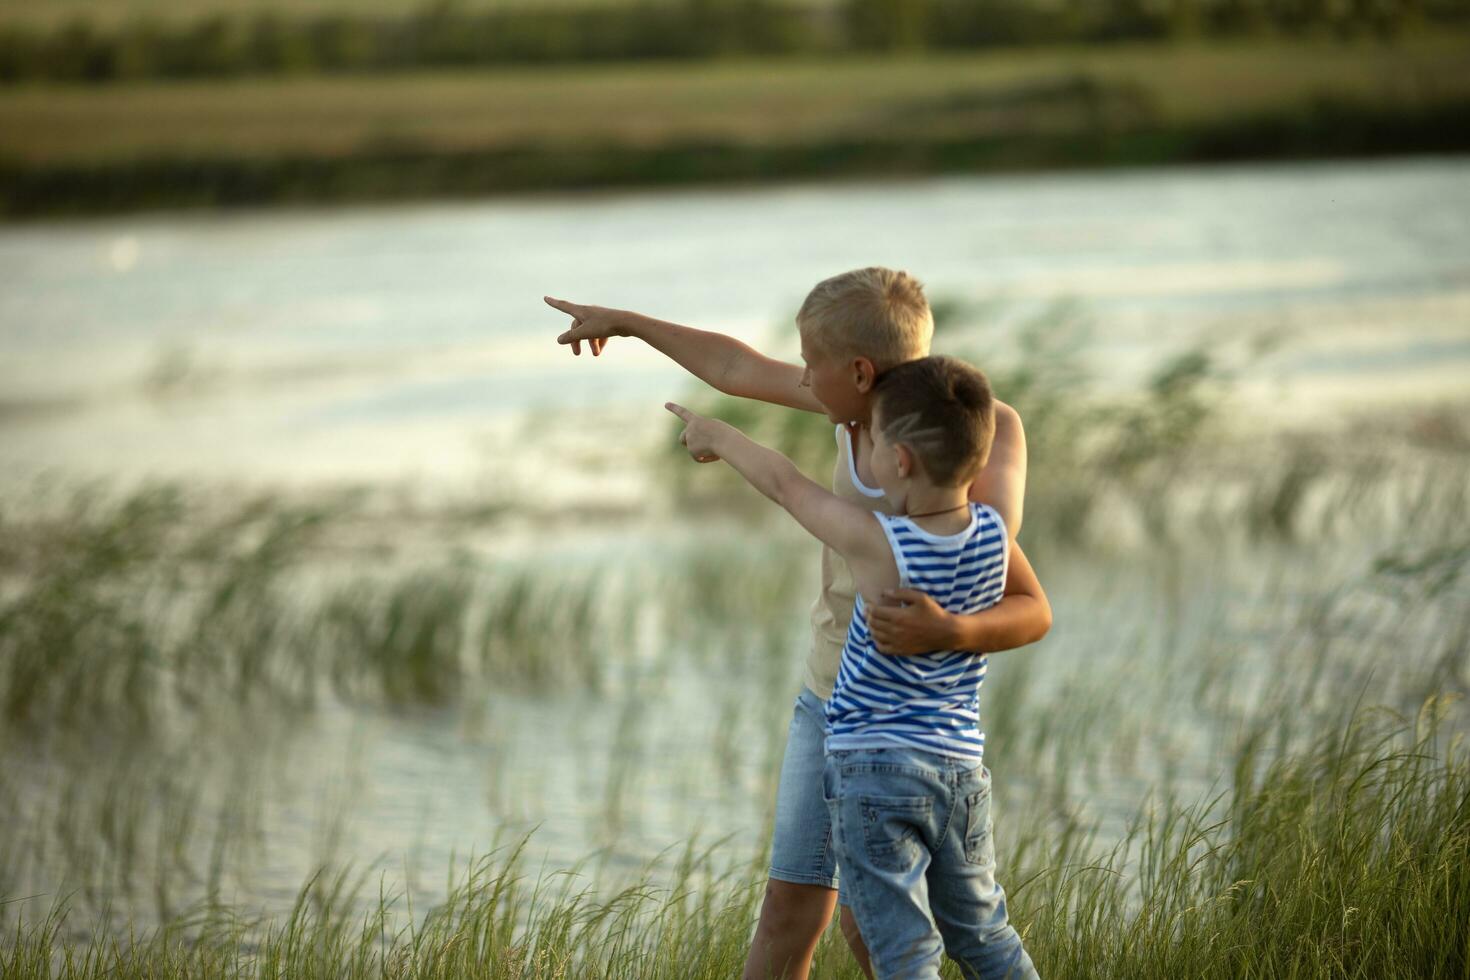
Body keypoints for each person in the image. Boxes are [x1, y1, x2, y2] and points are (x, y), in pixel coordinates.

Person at [546, 268, 1048, 978]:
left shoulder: (963, 440)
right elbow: (735, 368)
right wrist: (627, 321)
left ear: (861, 371)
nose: (803, 380)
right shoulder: (850, 408)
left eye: (813, 365)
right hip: (828, 699)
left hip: (905, 725)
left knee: (876, 929)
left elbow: (1016, 589)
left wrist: (949, 632)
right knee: (794, 909)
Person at [665, 354, 1042, 979]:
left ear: (898, 463)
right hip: (959, 770)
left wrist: (718, 436)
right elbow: (998, 425)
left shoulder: (878, 544)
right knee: (984, 935)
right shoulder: (992, 537)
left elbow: (787, 486)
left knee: (903, 953)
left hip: (874, 775)